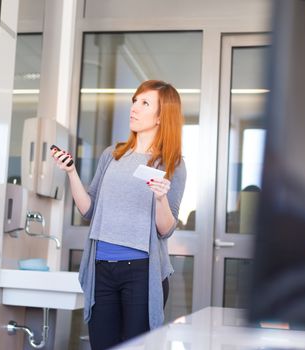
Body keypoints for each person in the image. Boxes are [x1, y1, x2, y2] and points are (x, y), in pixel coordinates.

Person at [50, 80, 186, 350]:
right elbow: (89, 209)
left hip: (141, 272)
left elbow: (165, 229)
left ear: (161, 116)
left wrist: (160, 197)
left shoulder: (172, 163)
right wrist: (71, 173)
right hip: (102, 267)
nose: (134, 108)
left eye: (144, 103)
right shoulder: (112, 155)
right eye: (135, 100)